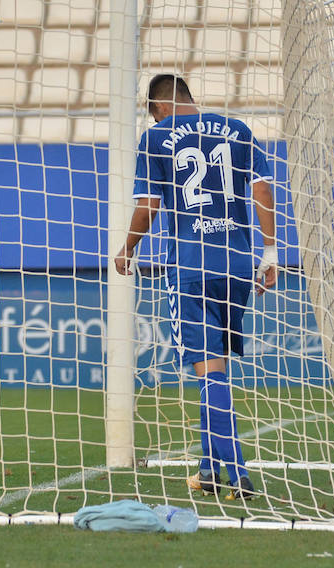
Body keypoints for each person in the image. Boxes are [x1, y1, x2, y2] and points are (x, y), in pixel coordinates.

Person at [114, 74, 278, 500]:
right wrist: (272, 250)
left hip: (190, 264)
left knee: (208, 372)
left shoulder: (155, 138)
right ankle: (208, 470)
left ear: (158, 107)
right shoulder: (238, 130)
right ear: (190, 97)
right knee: (217, 365)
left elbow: (149, 204)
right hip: (239, 261)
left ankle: (238, 473)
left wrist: (128, 248)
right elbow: (261, 187)